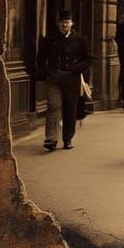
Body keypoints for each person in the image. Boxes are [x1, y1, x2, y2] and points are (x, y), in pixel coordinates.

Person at [35, 9, 92, 151]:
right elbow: (41, 60)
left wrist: (75, 69)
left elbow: (88, 60)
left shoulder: (80, 40)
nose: (64, 25)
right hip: (54, 78)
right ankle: (51, 139)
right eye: (61, 23)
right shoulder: (50, 40)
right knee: (53, 107)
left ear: (72, 23)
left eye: (66, 22)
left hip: (71, 79)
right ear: (57, 24)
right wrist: (46, 73)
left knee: (69, 109)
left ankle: (67, 139)